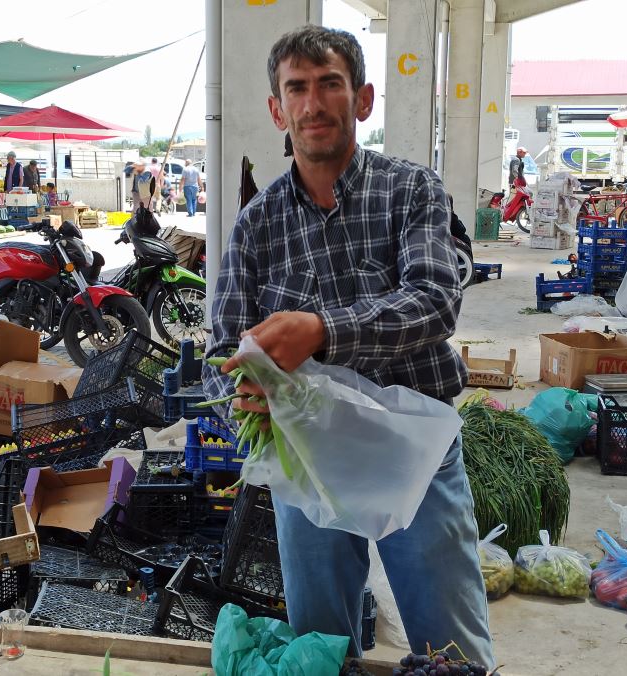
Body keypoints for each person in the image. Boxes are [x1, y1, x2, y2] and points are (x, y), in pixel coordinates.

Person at [202, 25, 493, 668]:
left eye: (330, 84)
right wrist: (241, 399)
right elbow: (220, 348)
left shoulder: (411, 189)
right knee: (320, 645)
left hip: (412, 448)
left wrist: (323, 330)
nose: (314, 104)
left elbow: (435, 300)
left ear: (360, 99)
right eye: (296, 89)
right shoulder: (257, 225)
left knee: (451, 646)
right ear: (278, 110)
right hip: (310, 461)